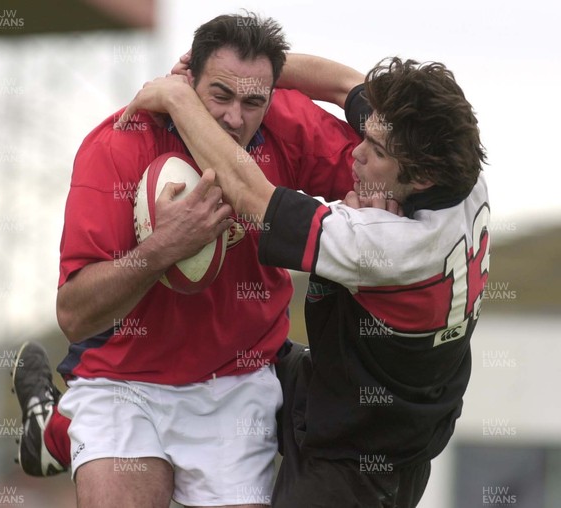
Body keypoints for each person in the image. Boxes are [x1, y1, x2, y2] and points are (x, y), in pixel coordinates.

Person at [11, 12, 362, 508]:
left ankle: (53, 433)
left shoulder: (287, 124)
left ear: (272, 96)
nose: (234, 118)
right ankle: (60, 429)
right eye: (219, 94)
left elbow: (390, 163)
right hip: (123, 382)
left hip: (234, 384)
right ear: (185, 79)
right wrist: (163, 248)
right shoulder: (118, 144)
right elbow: (74, 314)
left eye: (253, 100)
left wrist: (373, 200)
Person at [115, 55, 490, 507]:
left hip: (360, 461)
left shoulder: (389, 247)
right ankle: (57, 430)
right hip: (330, 383)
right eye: (366, 134)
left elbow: (250, 192)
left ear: (423, 177)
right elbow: (342, 84)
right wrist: (242, 67)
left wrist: (180, 100)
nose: (356, 151)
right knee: (202, 361)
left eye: (377, 152)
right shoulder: (454, 169)